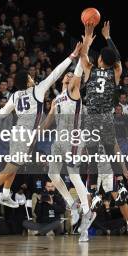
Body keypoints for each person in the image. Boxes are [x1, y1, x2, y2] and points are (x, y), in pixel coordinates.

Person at [0, 43, 82, 212]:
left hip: (21, 134)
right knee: (10, 169)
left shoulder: (15, 95)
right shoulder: (37, 91)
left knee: (14, 166)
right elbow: (55, 73)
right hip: (24, 135)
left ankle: (5, 194)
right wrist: (72, 56)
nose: (32, 78)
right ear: (27, 81)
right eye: (30, 77)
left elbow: (3, 113)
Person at [79, 22, 128, 245]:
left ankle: (86, 226)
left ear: (99, 60)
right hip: (105, 121)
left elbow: (84, 56)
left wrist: (87, 36)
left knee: (93, 175)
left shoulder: (91, 70)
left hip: (92, 121)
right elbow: (119, 61)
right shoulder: (115, 74)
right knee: (108, 161)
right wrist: (108, 37)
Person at [40, 57, 92, 240]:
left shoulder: (73, 91)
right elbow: (48, 121)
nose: (69, 76)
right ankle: (73, 205)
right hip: (59, 139)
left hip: (73, 138)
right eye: (67, 74)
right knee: (52, 175)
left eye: (72, 75)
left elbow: (78, 71)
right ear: (63, 79)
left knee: (73, 174)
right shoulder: (56, 99)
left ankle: (87, 211)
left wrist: (82, 54)